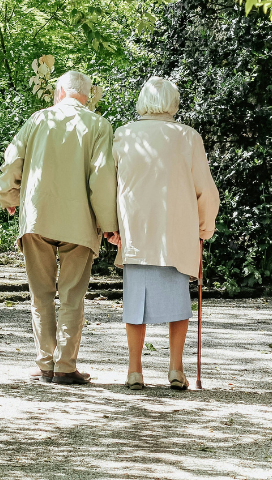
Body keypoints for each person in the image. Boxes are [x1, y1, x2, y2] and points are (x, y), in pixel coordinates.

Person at [0, 70, 118, 385]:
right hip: (80, 222)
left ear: (60, 92)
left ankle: (45, 364)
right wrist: (109, 224)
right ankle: (64, 367)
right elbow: (102, 177)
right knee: (72, 295)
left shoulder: (38, 120)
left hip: (38, 217)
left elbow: (13, 160)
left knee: (40, 294)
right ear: (87, 96)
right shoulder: (99, 125)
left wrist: (8, 195)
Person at [106, 76, 220, 391]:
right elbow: (206, 191)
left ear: (143, 101)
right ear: (173, 103)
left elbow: (110, 186)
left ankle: (134, 370)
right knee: (178, 304)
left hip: (137, 231)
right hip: (176, 233)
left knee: (134, 304)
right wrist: (204, 227)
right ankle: (176, 369)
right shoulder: (188, 137)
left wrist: (111, 227)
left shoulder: (124, 135)